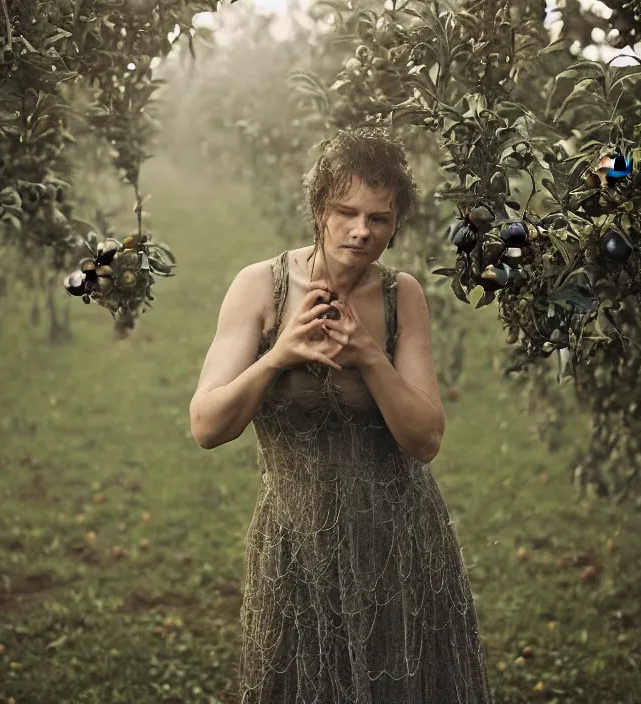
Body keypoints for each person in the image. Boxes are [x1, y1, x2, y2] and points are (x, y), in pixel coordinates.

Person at [189, 126, 492, 703]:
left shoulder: (403, 297)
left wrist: (369, 357)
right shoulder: (262, 288)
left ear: (396, 221)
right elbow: (206, 425)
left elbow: (425, 439)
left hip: (398, 545)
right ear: (319, 211)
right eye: (345, 212)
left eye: (378, 218)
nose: (360, 231)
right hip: (295, 546)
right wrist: (278, 356)